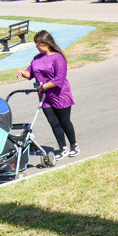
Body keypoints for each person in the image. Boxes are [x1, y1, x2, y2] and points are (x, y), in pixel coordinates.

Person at [16, 30, 78, 160]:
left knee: (65, 121)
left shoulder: (57, 57)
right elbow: (30, 73)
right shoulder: (36, 58)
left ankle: (74, 145)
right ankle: (63, 148)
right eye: (36, 44)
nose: (37, 46)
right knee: (53, 123)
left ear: (47, 43)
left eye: (39, 44)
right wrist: (22, 72)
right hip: (45, 97)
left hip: (60, 95)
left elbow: (59, 79)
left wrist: (43, 86)